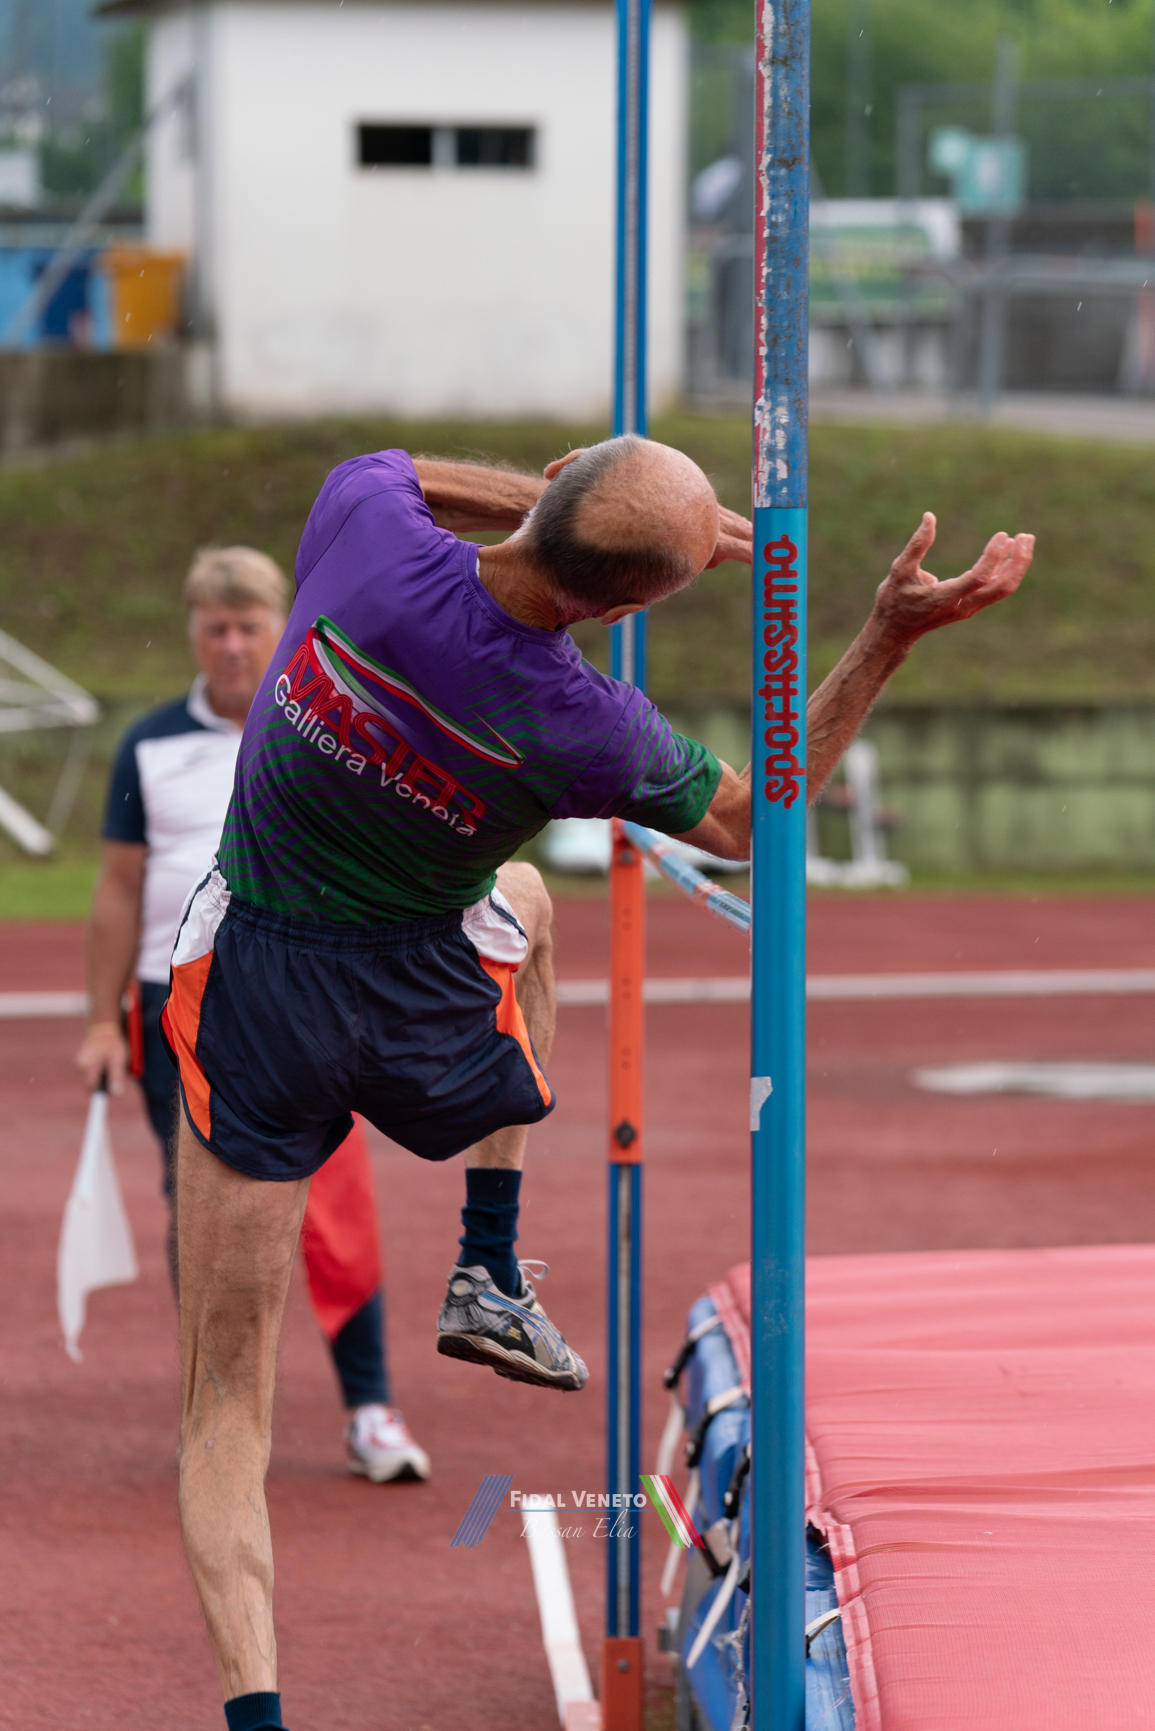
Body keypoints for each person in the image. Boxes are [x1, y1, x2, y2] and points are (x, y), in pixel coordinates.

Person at [163, 437, 1034, 1729]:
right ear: (626, 612)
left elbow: (411, 476)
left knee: (224, 1400)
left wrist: (597, 507)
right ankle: (488, 1256)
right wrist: (886, 635)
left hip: (262, 988)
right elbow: (758, 821)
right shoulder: (583, 724)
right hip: (422, 1001)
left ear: (558, 477)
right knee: (522, 894)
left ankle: (257, 1716)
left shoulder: (363, 530)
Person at [74, 546, 429, 1484]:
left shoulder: (332, 724)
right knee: (198, 1208)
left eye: (249, 626)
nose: (232, 645)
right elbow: (118, 889)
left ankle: (370, 1409)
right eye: (215, 628)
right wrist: (102, 1021)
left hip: (307, 994)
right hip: (176, 1006)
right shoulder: (147, 745)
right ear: (193, 632)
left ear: (284, 626)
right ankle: (216, 1417)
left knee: (333, 1201)